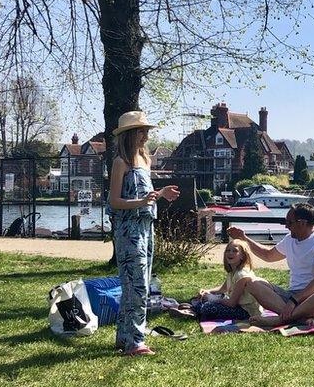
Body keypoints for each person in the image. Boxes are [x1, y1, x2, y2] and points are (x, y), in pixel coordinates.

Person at [108, 111, 180, 356]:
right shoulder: (121, 162)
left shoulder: (145, 160)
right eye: (142, 131)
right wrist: (140, 202)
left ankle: (125, 338)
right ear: (130, 134)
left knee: (141, 285)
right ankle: (136, 342)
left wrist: (160, 194)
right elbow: (115, 202)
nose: (146, 135)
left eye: (147, 131)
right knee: (136, 286)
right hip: (129, 232)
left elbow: (145, 198)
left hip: (147, 228)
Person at [228, 203, 314, 327]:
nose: (286, 226)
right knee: (252, 283)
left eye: (289, 222)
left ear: (302, 223)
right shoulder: (289, 239)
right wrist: (243, 238)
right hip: (291, 299)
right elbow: (268, 255)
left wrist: (294, 300)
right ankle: (298, 319)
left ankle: (281, 320)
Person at [189, 239, 263, 321]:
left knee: (208, 307)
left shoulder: (241, 275)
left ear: (243, 256)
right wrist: (208, 291)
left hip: (246, 312)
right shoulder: (232, 271)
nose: (230, 253)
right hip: (236, 305)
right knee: (200, 298)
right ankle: (195, 308)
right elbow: (223, 289)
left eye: (235, 251)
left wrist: (213, 299)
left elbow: (232, 303)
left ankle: (194, 310)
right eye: (228, 250)